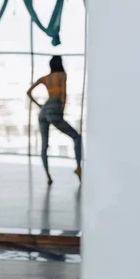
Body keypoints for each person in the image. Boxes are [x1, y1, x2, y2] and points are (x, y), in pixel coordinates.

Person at [27, 56, 82, 184]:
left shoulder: (45, 78)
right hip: (54, 109)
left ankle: (48, 176)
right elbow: (63, 94)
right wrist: (61, 110)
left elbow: (28, 92)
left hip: (43, 111)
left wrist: (40, 105)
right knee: (76, 137)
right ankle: (78, 167)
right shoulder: (62, 75)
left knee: (44, 146)